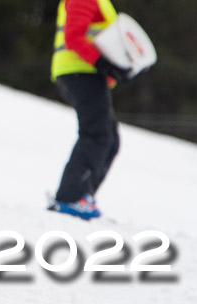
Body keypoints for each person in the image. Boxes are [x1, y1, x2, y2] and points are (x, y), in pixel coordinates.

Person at [48, 0, 132, 220]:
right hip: (80, 71)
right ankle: (71, 198)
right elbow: (74, 37)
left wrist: (113, 69)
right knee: (98, 134)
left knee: (110, 138)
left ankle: (82, 196)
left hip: (87, 72)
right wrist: (103, 65)